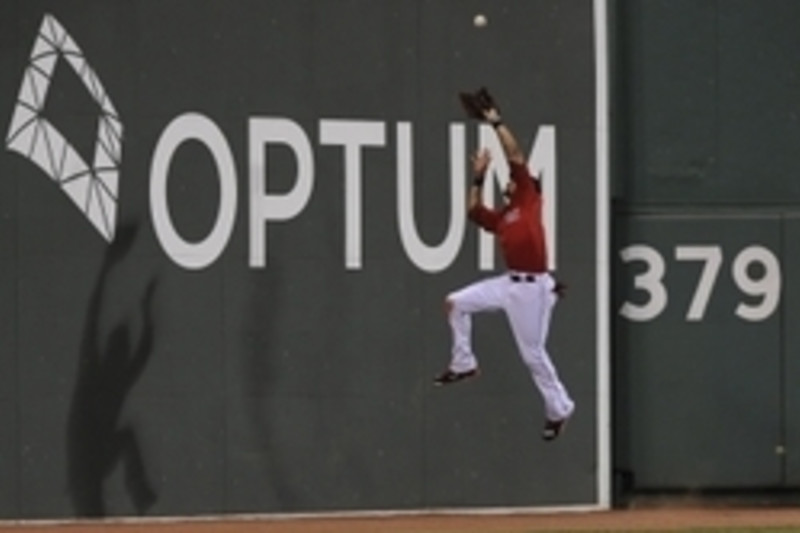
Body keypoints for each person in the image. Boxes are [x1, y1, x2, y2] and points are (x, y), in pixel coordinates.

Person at [434, 87, 575, 442]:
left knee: (532, 355)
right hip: (510, 283)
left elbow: (513, 152)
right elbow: (471, 212)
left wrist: (495, 121)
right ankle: (463, 363)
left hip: (532, 287)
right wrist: (478, 177)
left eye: (512, 180)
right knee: (455, 303)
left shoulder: (528, 197)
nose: (509, 182)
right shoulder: (505, 216)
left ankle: (559, 408)